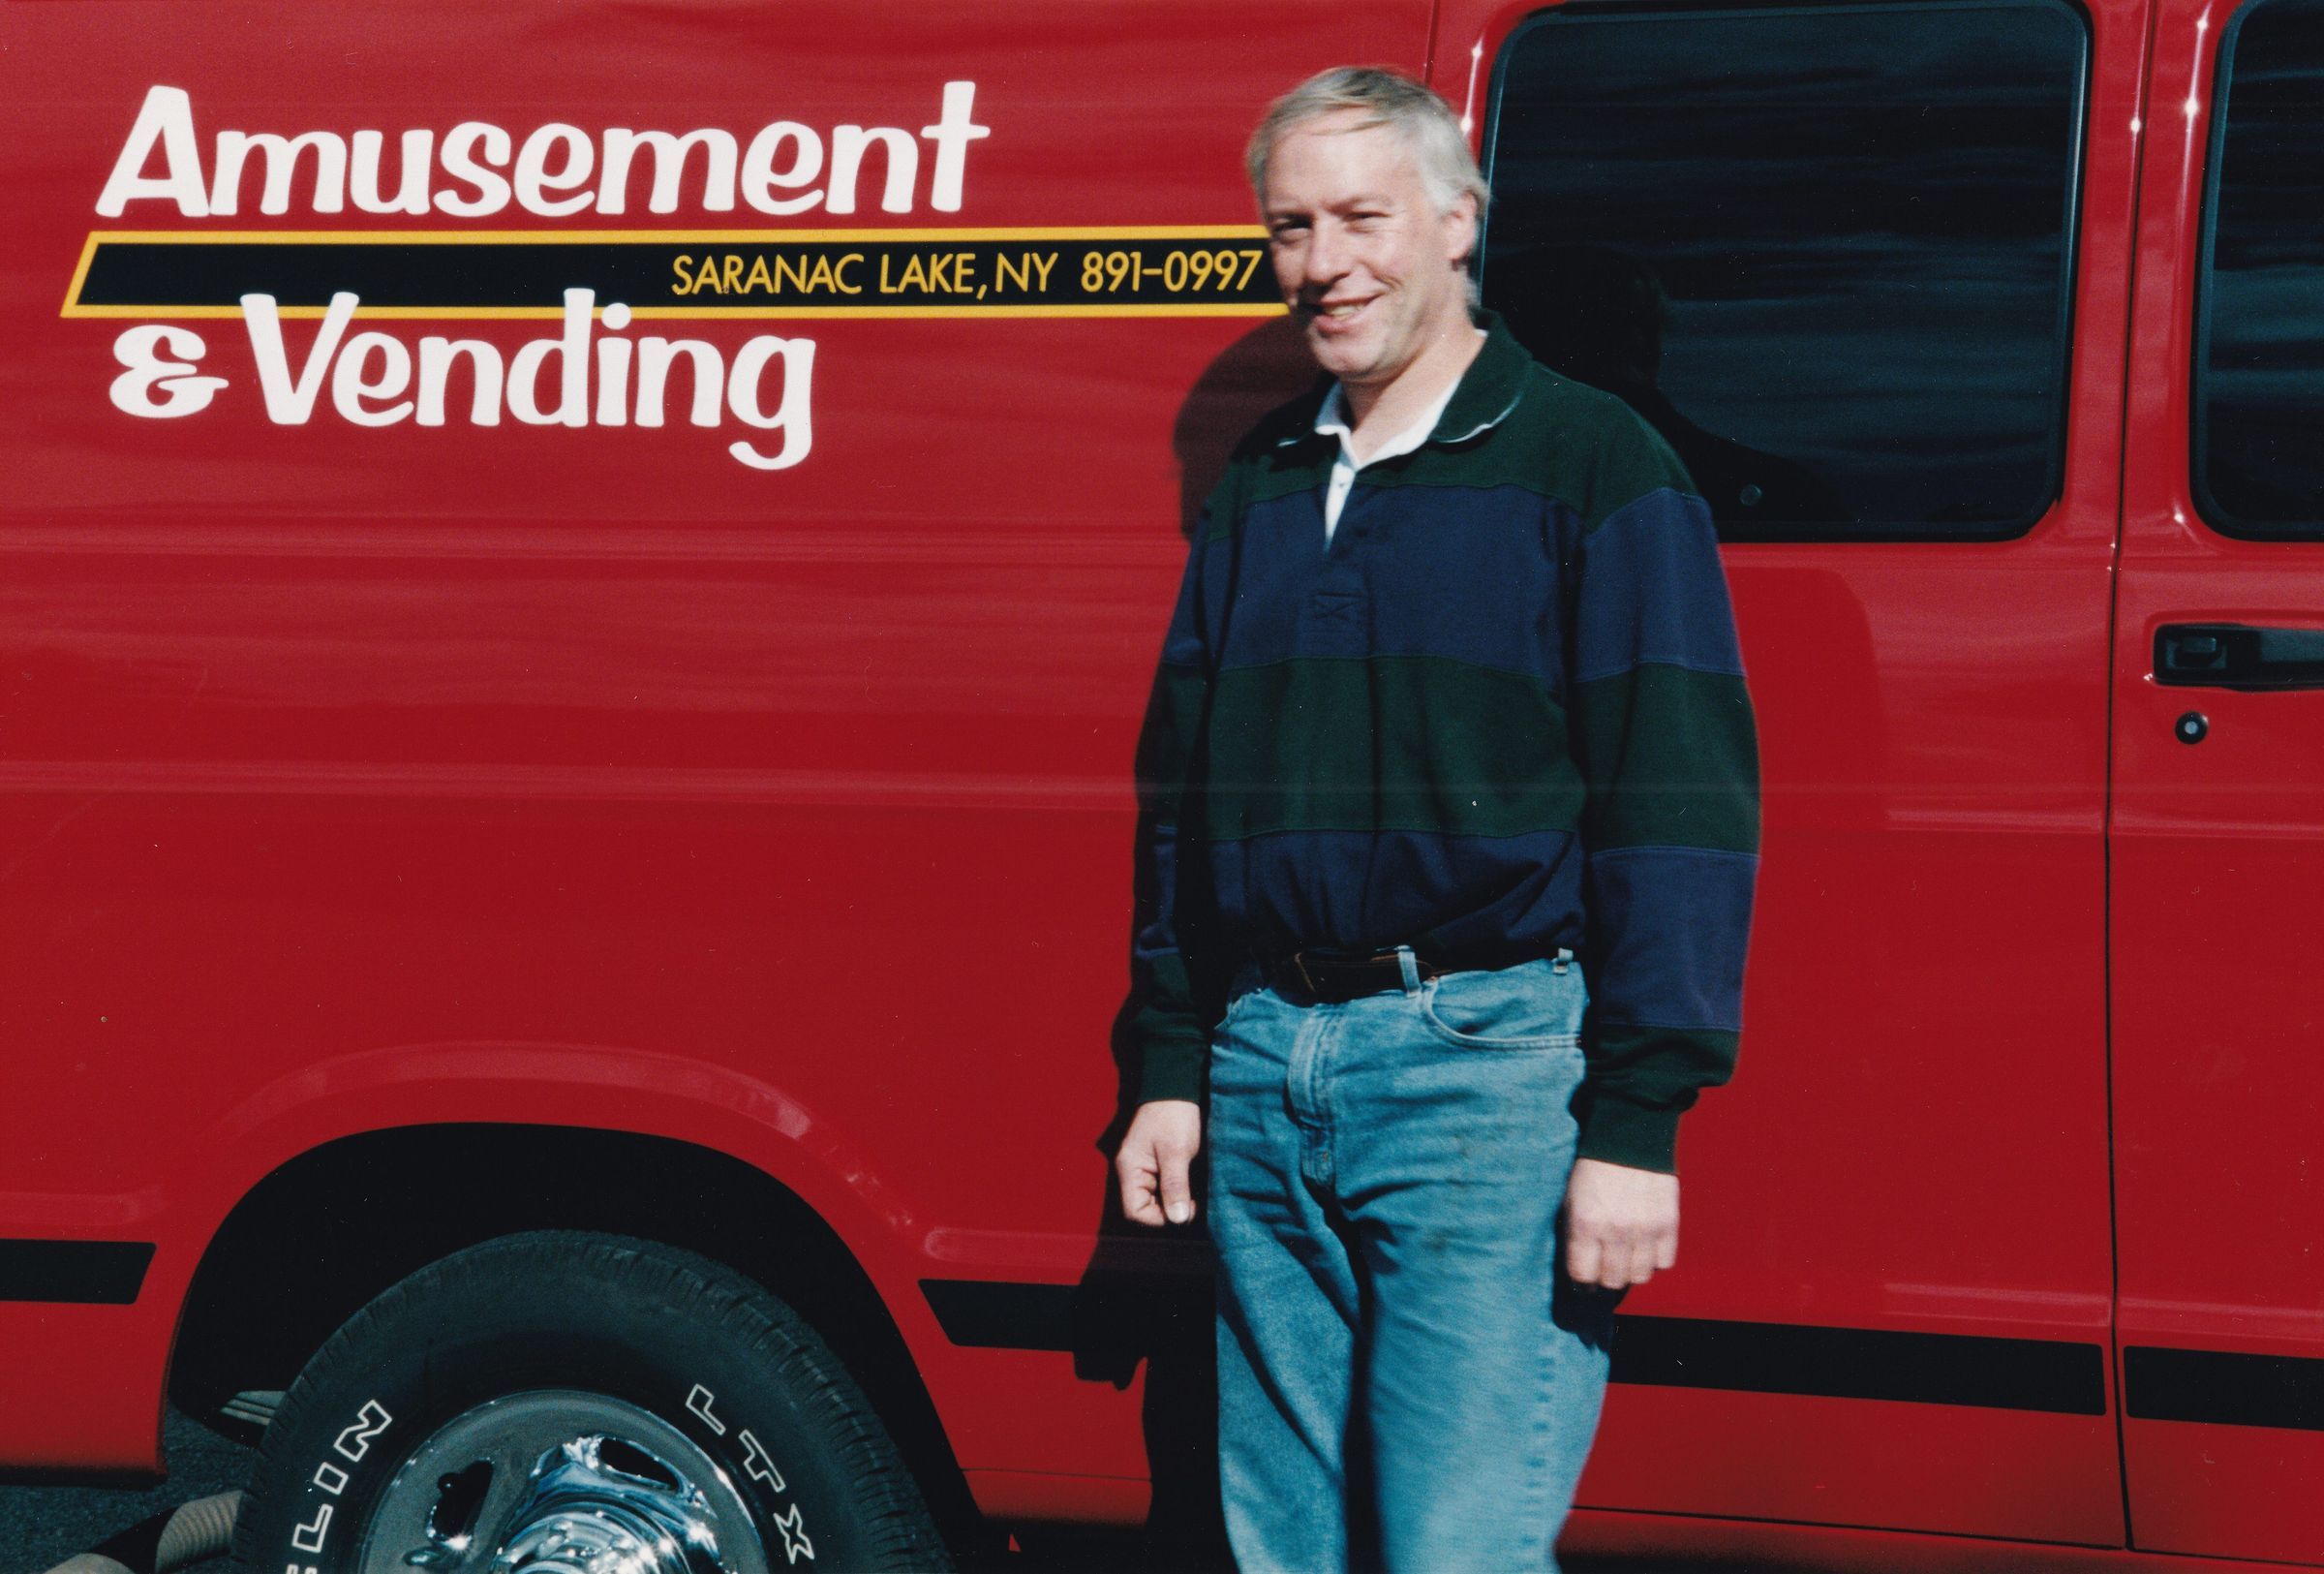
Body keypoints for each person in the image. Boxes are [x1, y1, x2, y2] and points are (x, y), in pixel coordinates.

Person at [1114, 66, 1759, 1573]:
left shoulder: (1593, 462)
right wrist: (1171, 1063)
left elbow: (1676, 805)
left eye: (1362, 218)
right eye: (1291, 228)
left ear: (1459, 222)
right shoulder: (1267, 476)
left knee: (1453, 1548)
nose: (1322, 263)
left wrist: (1638, 1122)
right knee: (1288, 1549)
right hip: (1265, 1062)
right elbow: (1185, 800)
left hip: (1481, 1069)